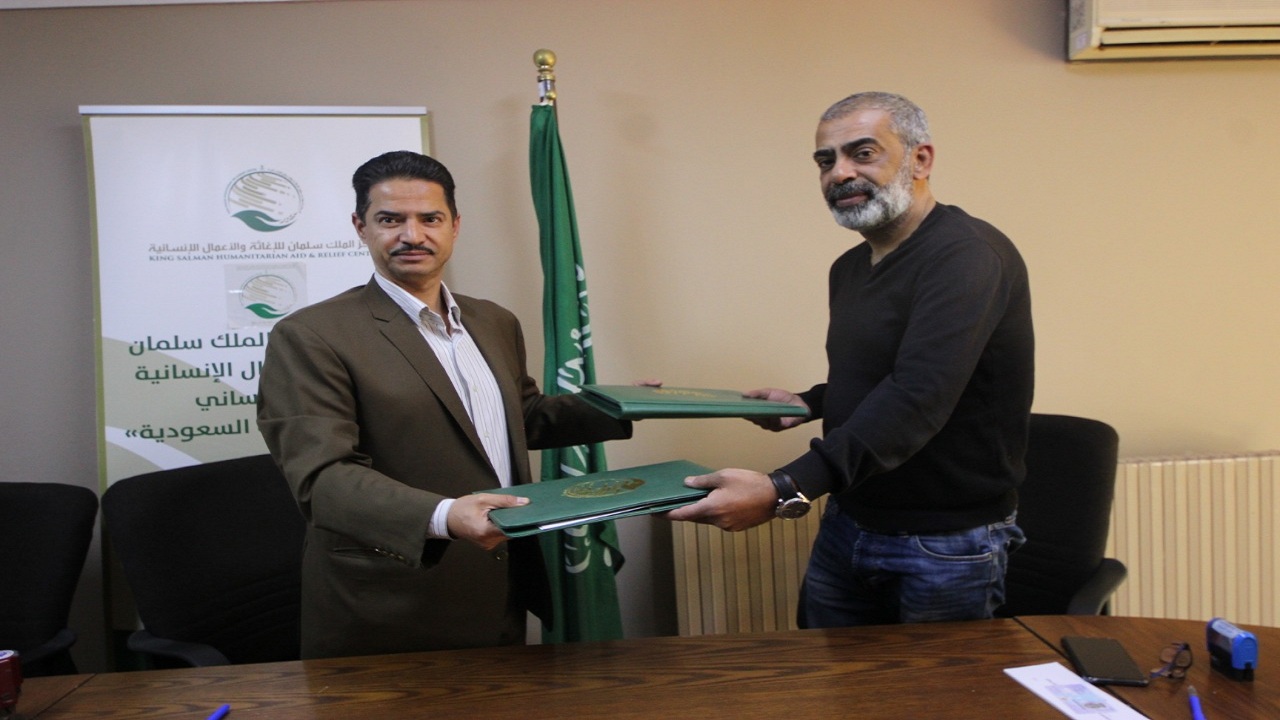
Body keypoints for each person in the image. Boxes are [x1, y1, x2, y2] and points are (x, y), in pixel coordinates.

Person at [667, 92, 1034, 628]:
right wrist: (811, 402)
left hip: (944, 543)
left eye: (862, 153)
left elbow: (918, 395)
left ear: (920, 159)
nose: (839, 173)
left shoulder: (968, 255)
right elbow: (887, 373)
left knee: (934, 684)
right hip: (849, 518)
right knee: (830, 677)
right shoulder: (850, 268)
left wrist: (783, 488)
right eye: (825, 161)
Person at [257, 150, 634, 659]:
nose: (412, 235)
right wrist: (445, 515)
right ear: (361, 227)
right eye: (391, 220)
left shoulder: (493, 321)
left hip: (500, 584)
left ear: (455, 225)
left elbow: (520, 418)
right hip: (390, 603)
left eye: (429, 219)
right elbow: (322, 479)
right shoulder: (311, 335)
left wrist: (622, 405)